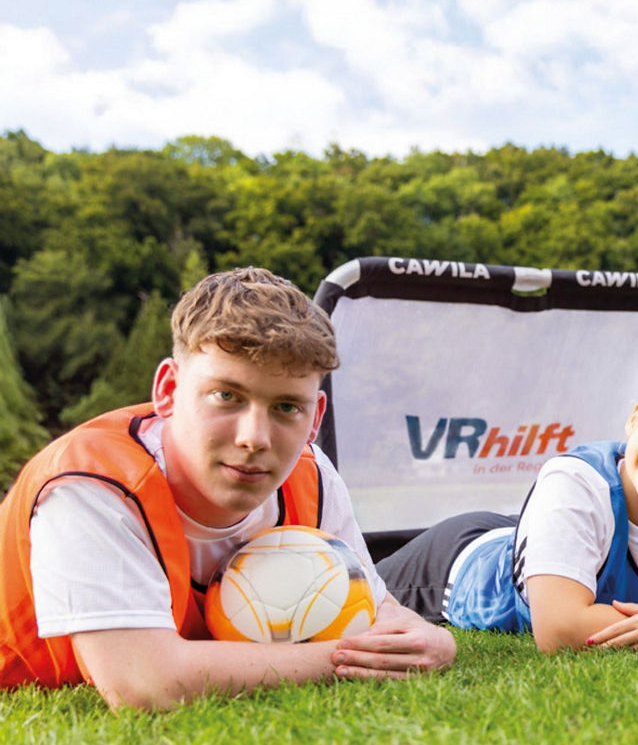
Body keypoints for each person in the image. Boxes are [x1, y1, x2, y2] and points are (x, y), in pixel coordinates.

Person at [0, 268, 456, 710]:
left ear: (315, 418)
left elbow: (380, 611)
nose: (254, 437)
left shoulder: (311, 474)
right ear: (169, 390)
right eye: (227, 396)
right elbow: (144, 683)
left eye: (285, 407)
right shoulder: (90, 482)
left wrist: (434, 640)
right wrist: (351, 660)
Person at [376, 363, 638, 652]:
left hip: (540, 539)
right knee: (350, 596)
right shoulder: (575, 480)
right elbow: (560, 630)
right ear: (635, 419)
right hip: (453, 565)